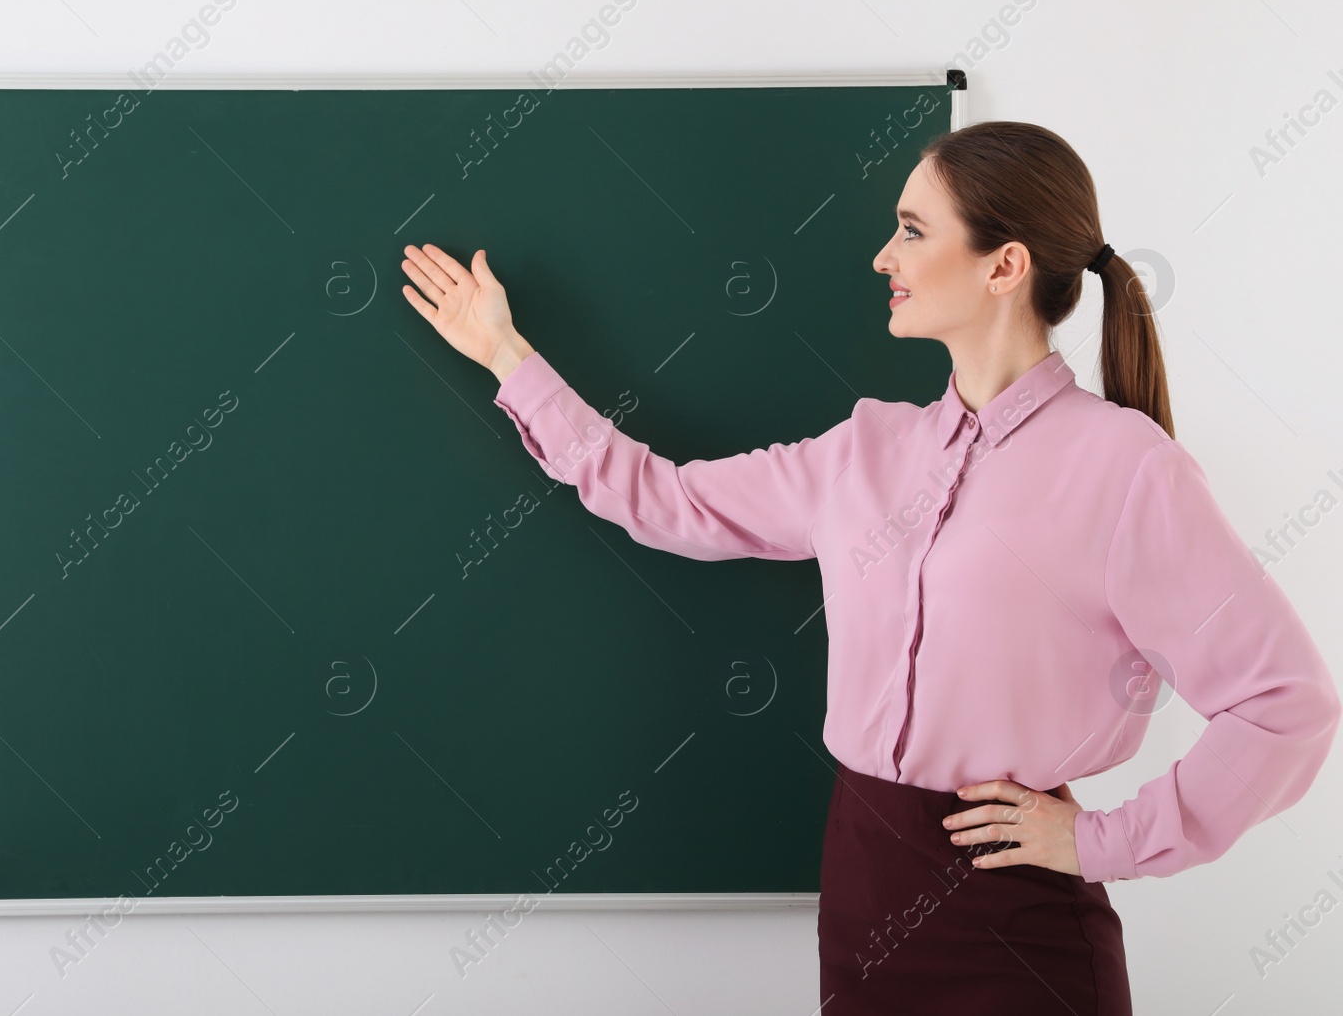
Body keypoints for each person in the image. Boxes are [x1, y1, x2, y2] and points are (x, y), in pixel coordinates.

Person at [399, 120, 1340, 1015]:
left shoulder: (1127, 468)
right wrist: (505, 355)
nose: (882, 257)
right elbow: (666, 498)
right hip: (861, 884)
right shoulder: (867, 450)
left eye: (912, 230)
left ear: (1004, 266)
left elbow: (1286, 703)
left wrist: (1103, 838)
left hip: (1017, 921)